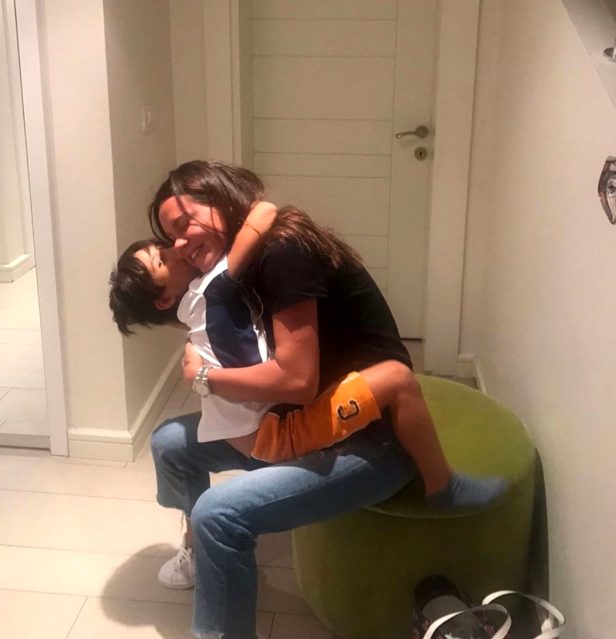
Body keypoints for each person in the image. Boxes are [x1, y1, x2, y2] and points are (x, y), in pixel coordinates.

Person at [141, 160, 505, 639]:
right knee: (169, 442)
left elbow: (296, 381)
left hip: (370, 438)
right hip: (303, 424)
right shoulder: (238, 267)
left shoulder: (282, 254)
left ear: (221, 201)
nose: (179, 244)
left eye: (183, 224)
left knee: (220, 512)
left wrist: (206, 377)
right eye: (170, 237)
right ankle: (199, 549)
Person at [110, 210, 505, 491]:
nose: (176, 247)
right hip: (274, 437)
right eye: (163, 258)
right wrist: (254, 213)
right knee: (398, 379)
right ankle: (444, 487)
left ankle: (193, 539)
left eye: (166, 243)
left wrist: (202, 377)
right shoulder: (210, 291)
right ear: (165, 299)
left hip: (252, 433)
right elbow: (263, 214)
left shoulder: (195, 314)